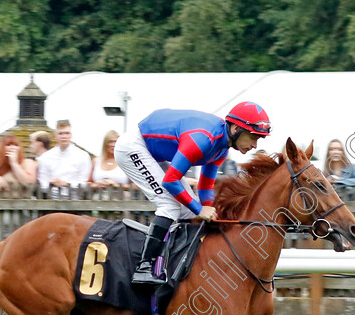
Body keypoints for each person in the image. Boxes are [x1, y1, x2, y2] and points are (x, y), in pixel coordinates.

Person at [115, 101, 271, 284]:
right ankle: (144, 267)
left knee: (188, 209)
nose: (254, 145)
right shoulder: (203, 140)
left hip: (153, 151)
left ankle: (174, 261)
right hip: (133, 147)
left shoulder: (220, 149)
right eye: (253, 137)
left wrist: (211, 212)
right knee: (170, 205)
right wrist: (200, 210)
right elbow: (171, 181)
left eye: (258, 140)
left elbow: (205, 187)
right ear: (236, 128)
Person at [36, 120, 92, 193]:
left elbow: (84, 183)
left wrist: (66, 184)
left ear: (71, 135)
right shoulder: (46, 157)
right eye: (60, 133)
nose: (64, 136)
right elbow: (42, 181)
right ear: (55, 136)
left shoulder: (83, 156)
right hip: (51, 199)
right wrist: (51, 183)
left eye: (67, 133)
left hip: (75, 200)